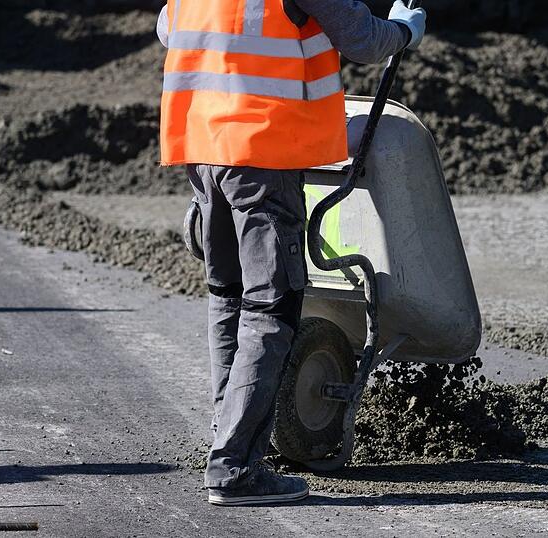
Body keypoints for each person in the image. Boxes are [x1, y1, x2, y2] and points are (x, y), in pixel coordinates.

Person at [156, 0, 426, 506]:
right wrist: (405, 31)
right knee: (270, 308)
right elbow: (363, 40)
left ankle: (229, 435)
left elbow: (168, 30)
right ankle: (235, 468)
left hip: (203, 147)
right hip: (262, 150)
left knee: (229, 296)